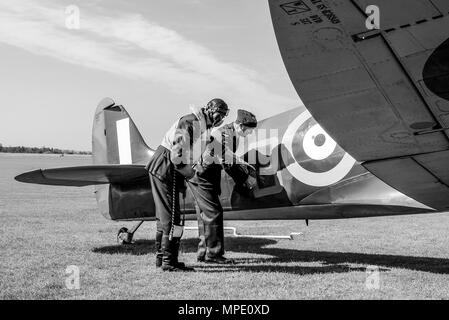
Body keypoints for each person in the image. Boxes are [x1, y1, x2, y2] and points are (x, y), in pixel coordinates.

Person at [146, 98, 230, 272]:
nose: (220, 118)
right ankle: (168, 262)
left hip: (169, 169)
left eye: (223, 115)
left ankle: (163, 259)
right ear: (209, 109)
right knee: (171, 217)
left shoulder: (200, 125)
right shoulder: (190, 122)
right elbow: (176, 157)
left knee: (167, 217)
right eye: (219, 113)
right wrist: (192, 174)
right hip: (165, 168)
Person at [191, 109, 258, 264]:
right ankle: (214, 254)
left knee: (204, 216)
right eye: (248, 131)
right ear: (241, 126)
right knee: (214, 213)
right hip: (205, 178)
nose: (248, 134)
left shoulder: (226, 132)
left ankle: (204, 253)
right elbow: (227, 163)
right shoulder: (227, 135)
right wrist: (245, 178)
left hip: (200, 177)